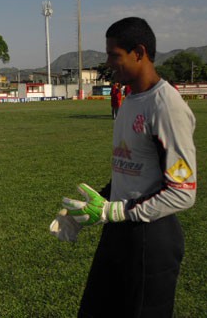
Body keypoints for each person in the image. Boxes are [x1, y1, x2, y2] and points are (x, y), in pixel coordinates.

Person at [52, 17, 196, 317]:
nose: (108, 63)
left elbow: (183, 192)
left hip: (151, 240)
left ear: (139, 52)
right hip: (118, 232)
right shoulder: (130, 99)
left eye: (114, 55)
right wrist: (86, 211)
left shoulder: (165, 105)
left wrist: (116, 211)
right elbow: (130, 170)